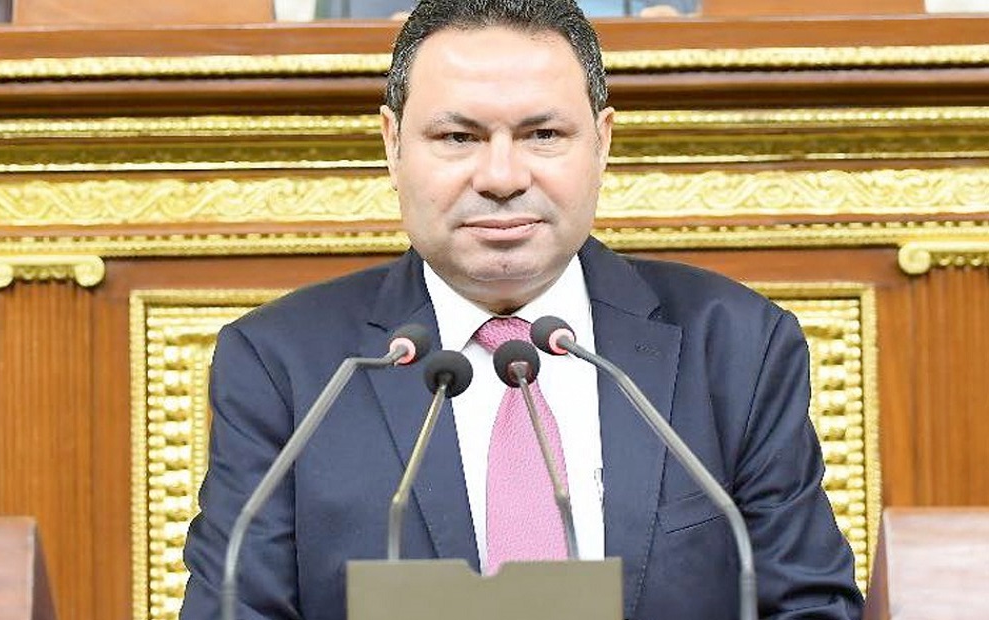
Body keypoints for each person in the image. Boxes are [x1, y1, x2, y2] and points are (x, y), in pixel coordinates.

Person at [180, 1, 864, 618]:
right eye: (458, 137)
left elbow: (809, 605)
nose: (502, 178)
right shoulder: (283, 365)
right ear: (392, 144)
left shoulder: (737, 346)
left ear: (602, 142)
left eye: (543, 134)